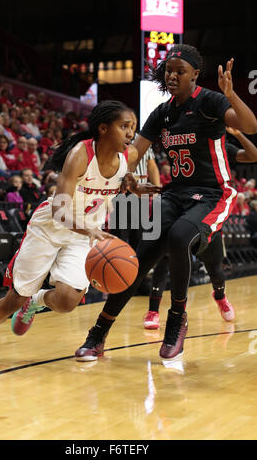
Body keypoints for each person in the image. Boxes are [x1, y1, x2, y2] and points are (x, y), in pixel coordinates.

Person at [75, 44, 257, 362]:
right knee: (138, 262)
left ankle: (176, 319)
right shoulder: (163, 112)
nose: (172, 76)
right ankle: (98, 335)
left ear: (195, 75)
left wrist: (231, 94)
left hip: (214, 193)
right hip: (175, 193)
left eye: (180, 71)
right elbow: (134, 154)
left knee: (179, 237)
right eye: (168, 71)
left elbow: (251, 126)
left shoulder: (210, 101)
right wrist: (109, 176)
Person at [0, 100, 159, 363]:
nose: (131, 134)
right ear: (103, 129)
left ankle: (38, 300)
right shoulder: (80, 155)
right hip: (50, 227)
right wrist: (91, 230)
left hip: (83, 235)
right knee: (15, 299)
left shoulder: (129, 156)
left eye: (133, 128)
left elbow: (122, 174)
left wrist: (131, 186)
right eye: (124, 127)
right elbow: (60, 211)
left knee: (66, 301)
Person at [143, 129, 257, 329]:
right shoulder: (181, 143)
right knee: (163, 257)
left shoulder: (219, 147)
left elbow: (252, 154)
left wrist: (239, 134)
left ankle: (219, 295)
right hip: (180, 205)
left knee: (215, 269)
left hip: (206, 212)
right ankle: (153, 310)